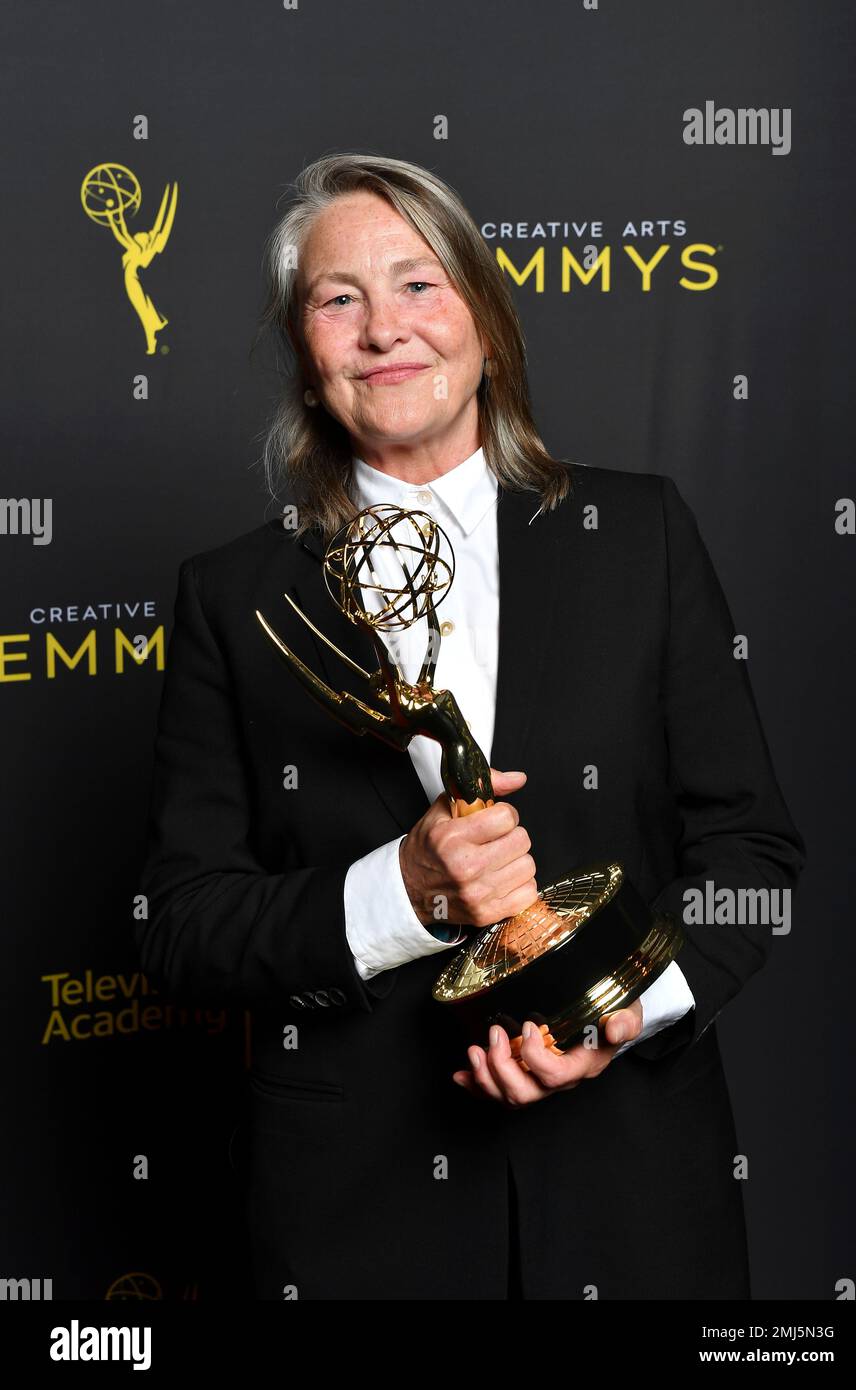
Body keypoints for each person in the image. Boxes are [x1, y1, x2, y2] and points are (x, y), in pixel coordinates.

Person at [137, 152, 805, 1300]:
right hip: (357, 1214)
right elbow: (182, 925)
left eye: (418, 285)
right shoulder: (232, 599)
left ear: (485, 324)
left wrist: (619, 1013)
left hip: (634, 1197)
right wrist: (401, 890)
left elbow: (751, 855)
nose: (382, 329)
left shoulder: (635, 535)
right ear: (305, 353)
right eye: (337, 299)